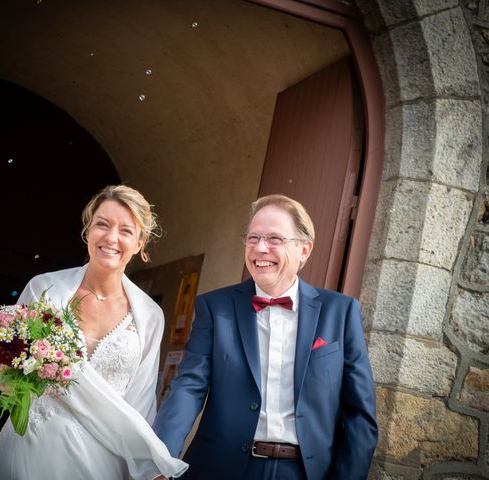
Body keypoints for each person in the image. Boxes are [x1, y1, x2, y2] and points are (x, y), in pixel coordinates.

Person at [153, 194, 377, 480]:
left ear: (304, 250)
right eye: (253, 238)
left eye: (274, 239)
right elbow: (188, 386)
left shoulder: (341, 312)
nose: (260, 248)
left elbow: (360, 414)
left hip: (305, 472)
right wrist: (160, 457)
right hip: (220, 469)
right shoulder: (215, 307)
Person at [0, 185, 188, 480]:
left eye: (126, 231)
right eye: (102, 225)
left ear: (140, 242)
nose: (111, 238)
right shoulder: (44, 289)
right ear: (88, 230)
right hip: (32, 445)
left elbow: (141, 403)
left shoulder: (150, 316)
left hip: (101, 460)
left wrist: (145, 467)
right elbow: (9, 368)